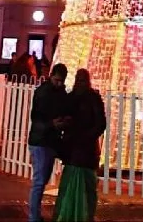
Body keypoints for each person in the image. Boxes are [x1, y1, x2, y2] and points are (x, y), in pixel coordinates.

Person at [54, 69, 106, 222]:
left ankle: (77, 214)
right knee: (81, 186)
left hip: (80, 148)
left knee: (81, 185)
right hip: (78, 149)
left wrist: (84, 137)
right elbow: (100, 123)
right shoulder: (83, 98)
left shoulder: (87, 98)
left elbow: (100, 123)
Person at [28, 63, 68, 222]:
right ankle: (33, 217)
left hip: (48, 141)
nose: (59, 83)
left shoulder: (58, 92)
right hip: (41, 141)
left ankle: (35, 215)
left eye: (61, 81)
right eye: (57, 80)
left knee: (42, 180)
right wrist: (52, 124)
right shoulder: (44, 93)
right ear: (52, 76)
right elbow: (36, 118)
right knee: (39, 181)